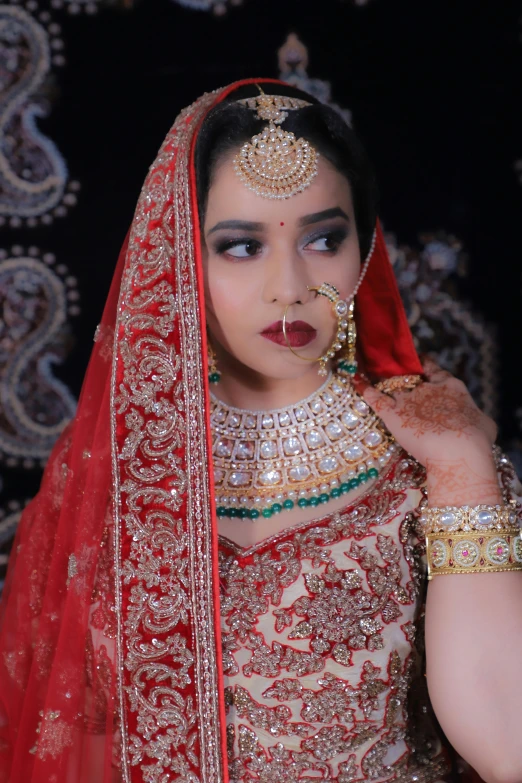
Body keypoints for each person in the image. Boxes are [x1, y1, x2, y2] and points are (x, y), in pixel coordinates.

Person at [1, 78, 521, 783]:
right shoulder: (114, 464)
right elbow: (66, 734)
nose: (290, 284)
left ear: (365, 247)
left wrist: (466, 474)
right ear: (180, 258)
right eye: (241, 246)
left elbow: (506, 743)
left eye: (324, 237)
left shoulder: (430, 458)